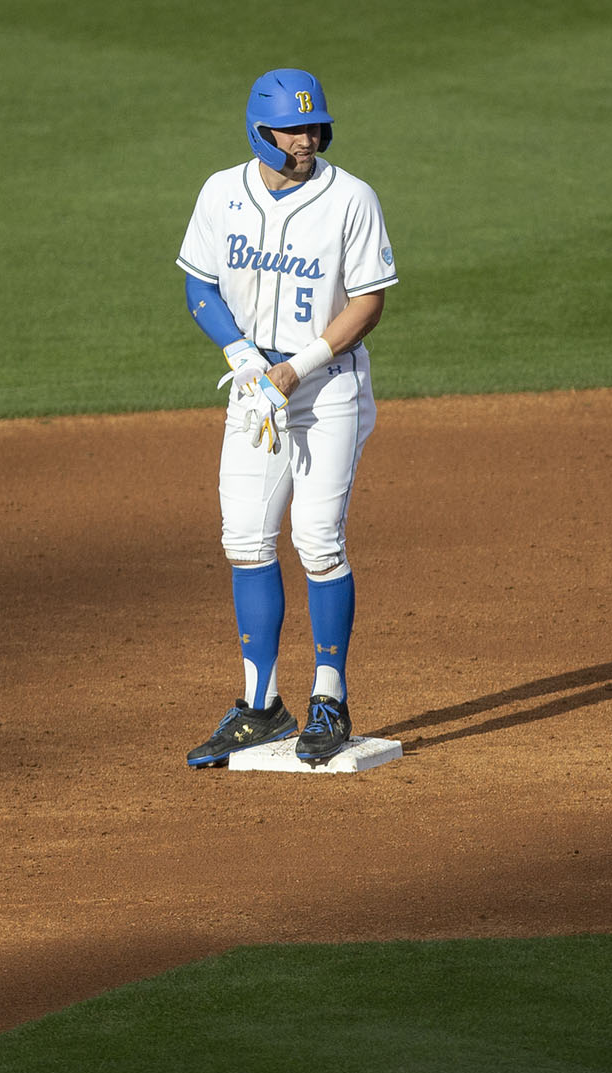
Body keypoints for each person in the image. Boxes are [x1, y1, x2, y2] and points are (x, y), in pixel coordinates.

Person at [175, 67, 396, 768]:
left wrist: (293, 368)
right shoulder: (220, 192)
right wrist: (243, 357)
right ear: (260, 132)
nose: (307, 139)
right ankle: (261, 705)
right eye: (293, 130)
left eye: (313, 127)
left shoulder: (351, 199)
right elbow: (198, 281)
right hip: (254, 387)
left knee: (317, 539)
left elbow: (366, 304)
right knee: (245, 536)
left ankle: (329, 695)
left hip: (326, 384)